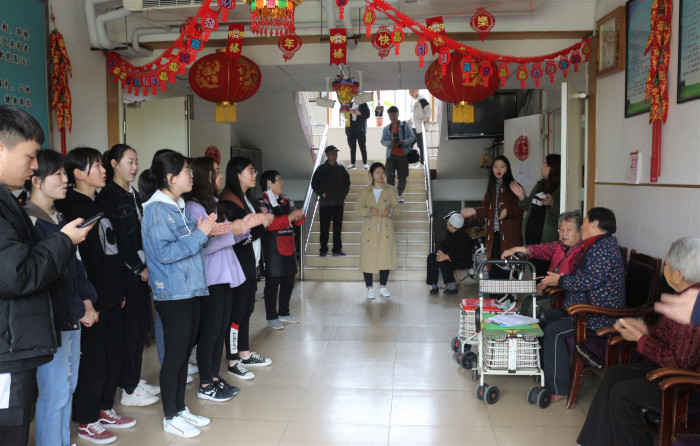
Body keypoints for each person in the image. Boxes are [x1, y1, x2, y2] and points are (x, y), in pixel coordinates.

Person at [0, 106, 93, 446]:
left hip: (18, 338)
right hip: (8, 342)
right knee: (14, 424)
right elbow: (18, 273)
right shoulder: (18, 209)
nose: (33, 166)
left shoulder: (8, 201)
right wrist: (64, 241)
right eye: (30, 156)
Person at [141, 151, 232, 438]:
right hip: (173, 293)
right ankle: (171, 416)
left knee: (182, 356)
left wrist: (208, 232)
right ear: (170, 178)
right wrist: (200, 234)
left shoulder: (177, 205)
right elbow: (164, 253)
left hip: (190, 289)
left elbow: (191, 244)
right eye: (186, 171)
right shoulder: (157, 210)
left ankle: (180, 409)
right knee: (175, 357)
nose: (191, 176)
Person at [577, 237, 700, 446]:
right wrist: (644, 331)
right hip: (668, 371)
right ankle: (592, 442)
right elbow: (670, 336)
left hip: (685, 387)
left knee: (623, 395)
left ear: (678, 275)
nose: (665, 268)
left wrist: (641, 339)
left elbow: (678, 363)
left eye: (667, 263)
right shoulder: (686, 294)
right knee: (615, 374)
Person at [57, 146, 135, 443]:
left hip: (111, 296)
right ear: (78, 173)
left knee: (113, 356)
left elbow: (112, 253)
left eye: (103, 165)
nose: (104, 170)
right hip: (92, 301)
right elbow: (79, 264)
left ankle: (104, 408)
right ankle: (87, 419)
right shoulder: (71, 209)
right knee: (93, 362)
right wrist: (87, 301)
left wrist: (119, 291)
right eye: (97, 166)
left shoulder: (99, 203)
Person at [24, 149, 99, 446]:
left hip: (72, 314)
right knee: (53, 393)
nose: (65, 180)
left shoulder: (59, 217)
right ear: (36, 180)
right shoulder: (30, 221)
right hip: (52, 318)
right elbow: (48, 277)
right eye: (58, 174)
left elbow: (75, 266)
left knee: (68, 387)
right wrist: (78, 307)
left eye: (65, 173)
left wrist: (87, 300)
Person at [186, 157, 267, 400]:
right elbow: (201, 246)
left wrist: (244, 227)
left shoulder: (213, 203)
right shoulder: (194, 208)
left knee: (221, 328)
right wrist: (235, 230)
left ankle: (215, 377)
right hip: (211, 277)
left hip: (226, 274)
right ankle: (206, 384)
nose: (220, 176)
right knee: (210, 332)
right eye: (215, 172)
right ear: (205, 176)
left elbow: (226, 237)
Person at [538, 207, 626, 402]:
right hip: (581, 308)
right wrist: (557, 280)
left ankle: (558, 389)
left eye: (585, 221)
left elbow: (587, 281)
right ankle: (545, 373)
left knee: (554, 331)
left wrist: (559, 280)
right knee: (541, 319)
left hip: (595, 316)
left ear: (595, 224)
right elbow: (585, 279)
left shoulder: (603, 249)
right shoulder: (597, 245)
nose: (582, 226)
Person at [101, 144, 160, 408]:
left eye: (136, 162)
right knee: (130, 333)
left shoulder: (131, 193)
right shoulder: (109, 196)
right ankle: (128, 388)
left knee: (138, 330)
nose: (135, 167)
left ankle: (134, 380)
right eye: (129, 162)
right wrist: (138, 268)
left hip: (141, 270)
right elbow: (119, 241)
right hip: (127, 273)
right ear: (114, 164)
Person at [220, 157, 274, 378]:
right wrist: (259, 224)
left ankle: (244, 352)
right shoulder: (228, 200)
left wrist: (258, 225)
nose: (254, 175)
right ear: (237, 174)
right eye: (250, 171)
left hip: (249, 261)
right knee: (237, 312)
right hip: (237, 263)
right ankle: (233, 358)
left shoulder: (247, 198)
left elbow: (255, 229)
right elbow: (239, 234)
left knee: (247, 309)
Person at [460, 155, 524, 282]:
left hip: (509, 237)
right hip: (493, 235)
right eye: (495, 167)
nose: (498, 170)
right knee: (493, 269)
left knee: (508, 270)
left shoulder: (514, 186)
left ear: (507, 168)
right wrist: (474, 211)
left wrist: (508, 211)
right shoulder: (491, 188)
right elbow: (487, 210)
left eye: (502, 166)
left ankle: (507, 293)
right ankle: (495, 293)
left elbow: (521, 208)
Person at [258, 170, 305, 330]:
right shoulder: (262, 202)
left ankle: (284, 312)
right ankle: (271, 316)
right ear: (268, 183)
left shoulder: (285, 199)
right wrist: (290, 218)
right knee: (272, 284)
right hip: (272, 248)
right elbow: (268, 224)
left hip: (289, 245)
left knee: (288, 281)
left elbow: (295, 221)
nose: (282, 183)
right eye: (278, 180)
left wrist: (299, 216)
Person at [501, 210, 584, 295]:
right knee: (527, 299)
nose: (564, 234)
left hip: (567, 296)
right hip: (552, 291)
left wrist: (547, 283)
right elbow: (540, 249)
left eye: (569, 229)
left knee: (530, 302)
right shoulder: (559, 246)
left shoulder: (582, 252)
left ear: (580, 231)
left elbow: (573, 281)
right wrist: (515, 249)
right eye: (561, 229)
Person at [509, 154, 561, 276]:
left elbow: (564, 211)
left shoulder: (560, 187)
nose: (542, 167)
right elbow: (526, 206)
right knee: (534, 271)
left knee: (544, 272)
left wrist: (552, 203)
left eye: (545, 165)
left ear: (553, 168)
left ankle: (542, 289)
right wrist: (521, 195)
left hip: (545, 239)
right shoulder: (539, 185)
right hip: (530, 236)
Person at [356, 162, 400, 299]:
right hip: (370, 229)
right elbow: (359, 209)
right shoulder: (364, 191)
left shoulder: (391, 190)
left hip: (385, 229)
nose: (380, 175)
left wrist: (390, 211)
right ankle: (369, 288)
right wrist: (369, 211)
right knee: (368, 259)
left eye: (382, 172)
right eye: (377, 172)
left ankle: (383, 287)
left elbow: (397, 208)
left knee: (385, 258)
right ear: (372, 174)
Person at [311, 145, 350, 257]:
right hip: (325, 203)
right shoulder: (321, 169)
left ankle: (337, 249)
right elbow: (314, 184)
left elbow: (347, 183)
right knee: (324, 228)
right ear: (327, 155)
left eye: (336, 153)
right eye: (332, 153)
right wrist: (321, 193)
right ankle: (323, 250)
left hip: (338, 203)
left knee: (338, 228)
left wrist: (343, 195)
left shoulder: (341, 169)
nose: (335, 155)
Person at [426, 211, 472, 295]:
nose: (447, 224)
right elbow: (444, 244)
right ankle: (434, 286)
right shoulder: (450, 232)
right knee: (431, 257)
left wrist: (447, 256)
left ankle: (452, 287)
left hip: (461, 261)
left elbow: (462, 254)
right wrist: (440, 251)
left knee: (443, 260)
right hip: (451, 256)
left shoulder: (464, 236)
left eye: (448, 223)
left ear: (454, 227)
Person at [380, 105, 415, 204]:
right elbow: (382, 141)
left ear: (398, 114)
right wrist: (389, 143)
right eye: (390, 115)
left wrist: (404, 142)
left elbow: (412, 137)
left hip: (403, 155)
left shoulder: (405, 125)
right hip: (391, 156)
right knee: (389, 176)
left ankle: (399, 195)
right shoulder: (387, 128)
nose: (392, 117)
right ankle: (391, 196)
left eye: (394, 115)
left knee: (402, 176)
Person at [344, 102, 370, 170]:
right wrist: (348, 112)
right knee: (352, 147)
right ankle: (352, 163)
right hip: (350, 127)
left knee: (362, 146)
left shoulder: (363, 104)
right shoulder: (348, 103)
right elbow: (344, 116)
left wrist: (359, 113)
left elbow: (368, 115)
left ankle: (365, 163)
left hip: (360, 128)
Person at [408, 89, 431, 165]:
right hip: (413, 126)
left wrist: (428, 117)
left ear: (417, 90)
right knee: (410, 143)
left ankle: (422, 162)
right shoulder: (412, 100)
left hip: (420, 127)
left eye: (413, 91)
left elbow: (428, 109)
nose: (411, 93)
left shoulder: (422, 99)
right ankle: (412, 160)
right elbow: (412, 112)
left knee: (421, 145)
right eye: (409, 91)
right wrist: (410, 119)